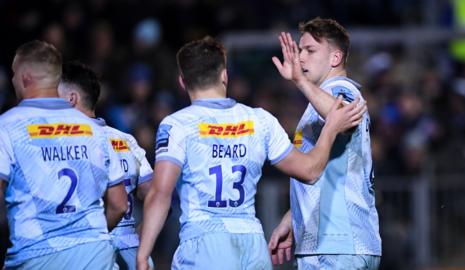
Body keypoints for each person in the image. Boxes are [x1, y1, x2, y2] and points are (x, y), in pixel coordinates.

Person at [136, 36, 366, 270]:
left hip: (205, 242)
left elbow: (160, 193)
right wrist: (330, 129)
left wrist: (143, 254)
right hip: (252, 244)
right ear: (224, 75)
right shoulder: (259, 119)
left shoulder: (177, 125)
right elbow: (310, 171)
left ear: (182, 82)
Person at [0, 40, 128, 269]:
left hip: (37, 256)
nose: (11, 80)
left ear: (25, 76)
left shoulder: (7, 126)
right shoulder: (95, 129)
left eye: (13, 73)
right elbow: (119, 204)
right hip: (95, 255)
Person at [268, 18, 382, 270]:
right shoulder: (317, 101)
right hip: (339, 244)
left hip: (336, 246)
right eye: (299, 50)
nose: (301, 58)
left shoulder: (342, 89)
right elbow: (327, 174)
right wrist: (293, 219)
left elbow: (343, 114)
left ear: (335, 58)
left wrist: (300, 81)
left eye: (310, 50)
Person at [58, 61, 155, 270]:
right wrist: (139, 238)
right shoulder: (126, 139)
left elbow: (118, 205)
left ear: (70, 99)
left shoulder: (67, 145)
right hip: (136, 252)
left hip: (91, 253)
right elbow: (155, 194)